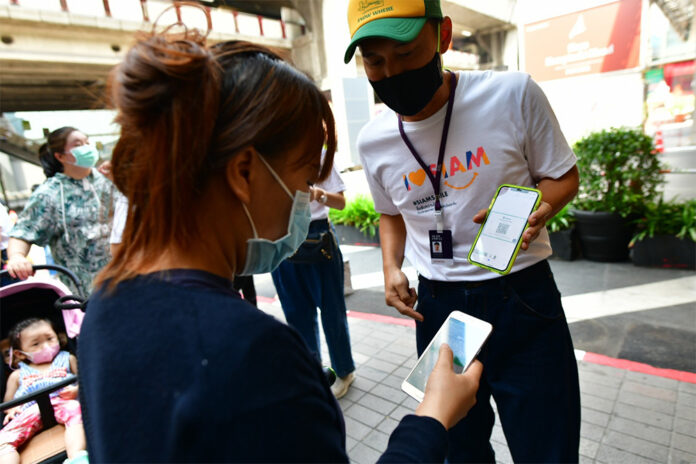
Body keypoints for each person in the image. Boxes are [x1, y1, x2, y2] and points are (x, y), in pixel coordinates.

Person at [77, 14, 482, 462]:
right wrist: (432, 417)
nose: (303, 199)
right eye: (304, 178)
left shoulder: (106, 301)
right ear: (245, 172)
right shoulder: (251, 352)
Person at [344, 0, 581, 462]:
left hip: (522, 297)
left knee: (547, 447)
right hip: (440, 307)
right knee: (457, 448)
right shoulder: (373, 140)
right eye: (375, 61)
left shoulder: (512, 94)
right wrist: (391, 266)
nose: (391, 72)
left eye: (406, 53)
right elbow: (390, 212)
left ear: (443, 36)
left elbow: (562, 175)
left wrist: (540, 209)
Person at [271, 161, 356, 398]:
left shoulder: (319, 155)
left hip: (317, 239)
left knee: (332, 312)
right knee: (296, 314)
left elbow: (340, 202)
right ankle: (311, 372)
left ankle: (344, 371)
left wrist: (319, 195)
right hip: (281, 239)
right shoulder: (266, 153)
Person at [6, 127, 115, 294]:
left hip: (127, 281)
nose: (87, 147)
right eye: (78, 144)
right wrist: (17, 257)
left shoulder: (108, 181)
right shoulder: (50, 193)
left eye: (87, 142)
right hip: (85, 293)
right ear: (60, 156)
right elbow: (22, 232)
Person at [0, 318, 86, 464]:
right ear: (20, 354)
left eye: (50, 339)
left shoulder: (67, 359)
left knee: (77, 413)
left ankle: (77, 457)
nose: (46, 346)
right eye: (36, 344)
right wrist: (12, 410)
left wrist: (76, 390)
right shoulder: (17, 375)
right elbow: (8, 402)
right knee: (3, 440)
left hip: (63, 402)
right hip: (29, 410)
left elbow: (84, 380)